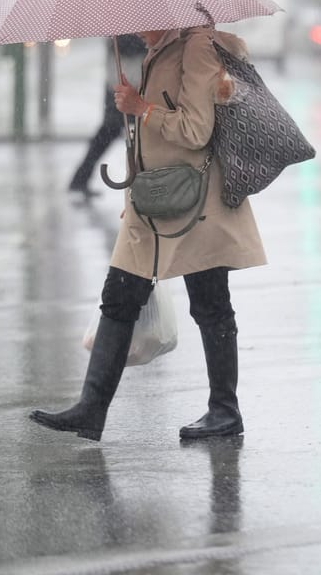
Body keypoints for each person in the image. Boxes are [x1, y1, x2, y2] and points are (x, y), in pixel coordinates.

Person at [31, 24, 267, 441]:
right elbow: (147, 140)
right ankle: (91, 409)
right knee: (119, 298)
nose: (135, 30)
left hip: (196, 202)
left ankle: (225, 411)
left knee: (210, 303)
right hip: (155, 201)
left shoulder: (195, 48)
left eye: (143, 22)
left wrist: (142, 108)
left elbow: (196, 130)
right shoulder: (159, 49)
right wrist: (133, 198)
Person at [68, 33, 148, 195]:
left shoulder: (117, 25)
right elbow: (129, 47)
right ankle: (80, 179)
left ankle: (80, 178)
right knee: (112, 132)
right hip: (125, 86)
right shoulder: (125, 28)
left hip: (121, 84)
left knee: (110, 133)